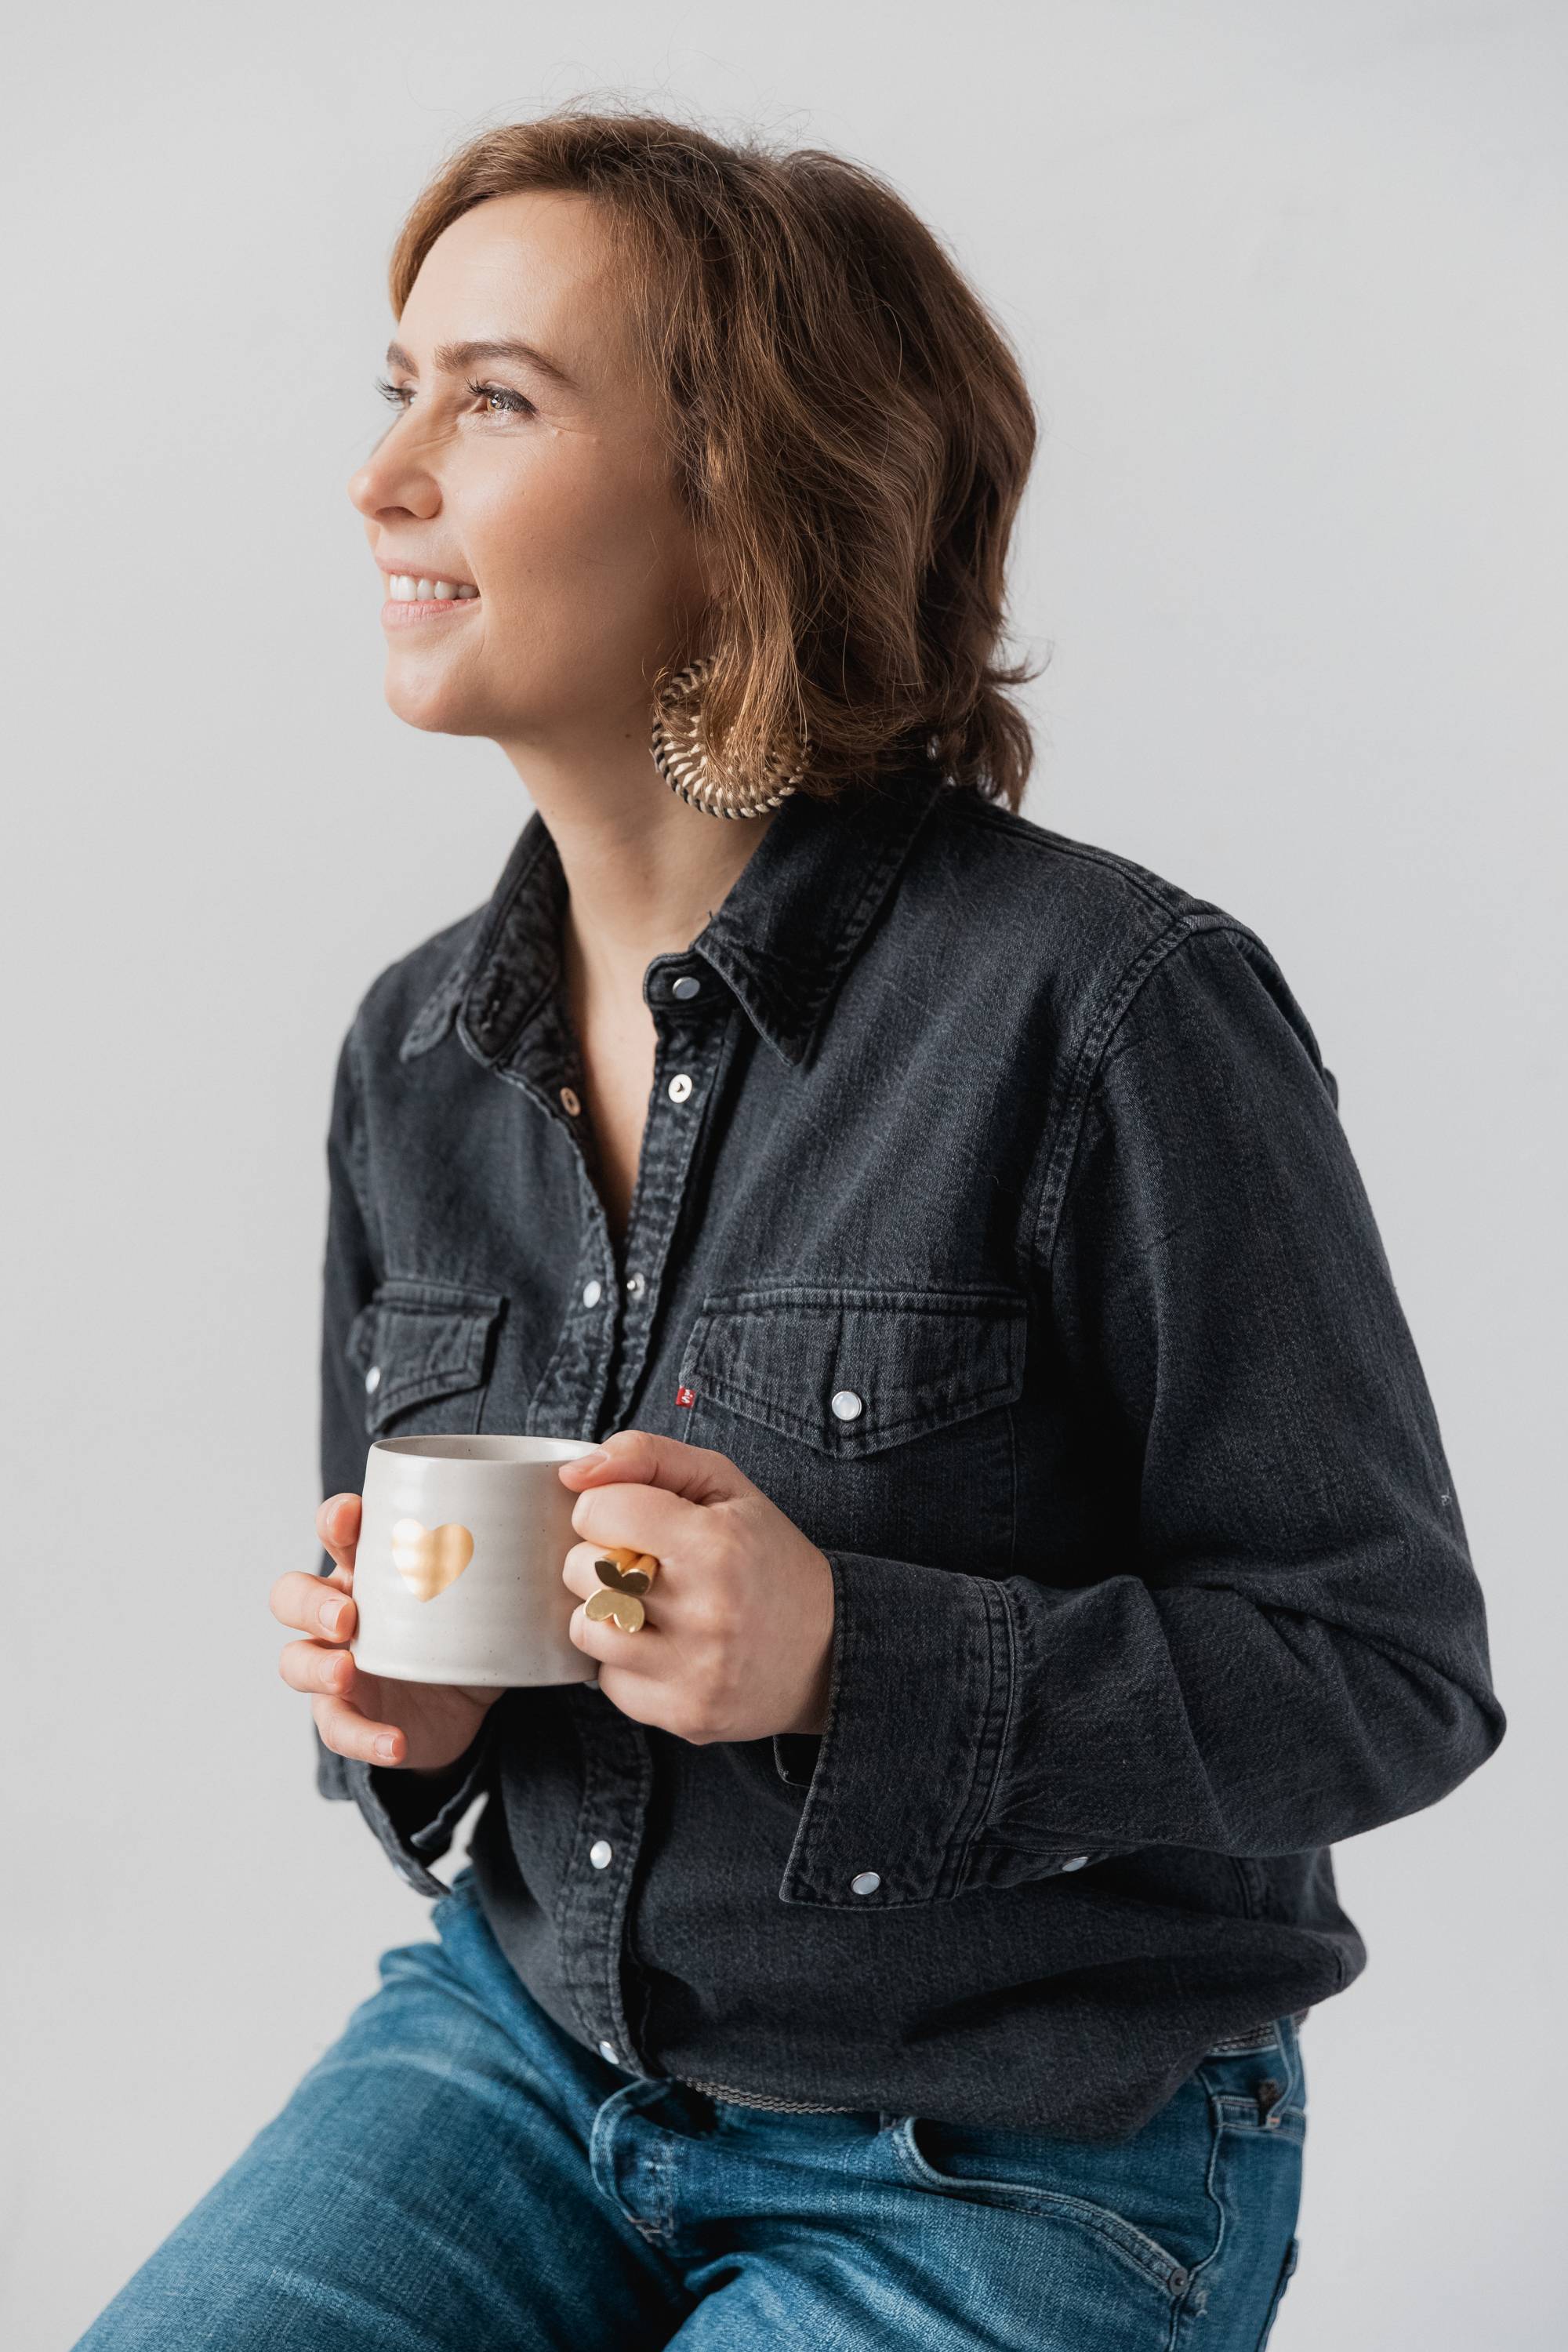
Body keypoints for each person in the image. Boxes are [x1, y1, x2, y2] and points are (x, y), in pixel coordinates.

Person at [74, 106, 1505, 2352]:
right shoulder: (411, 1059)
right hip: (528, 2063)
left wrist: (858, 1655)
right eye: (400, 387)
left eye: (500, 398)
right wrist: (403, 1723)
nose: (385, 478)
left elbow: (1391, 1674)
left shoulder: (1111, 1009)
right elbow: (439, 1725)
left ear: (752, 494)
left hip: (1015, 2137)